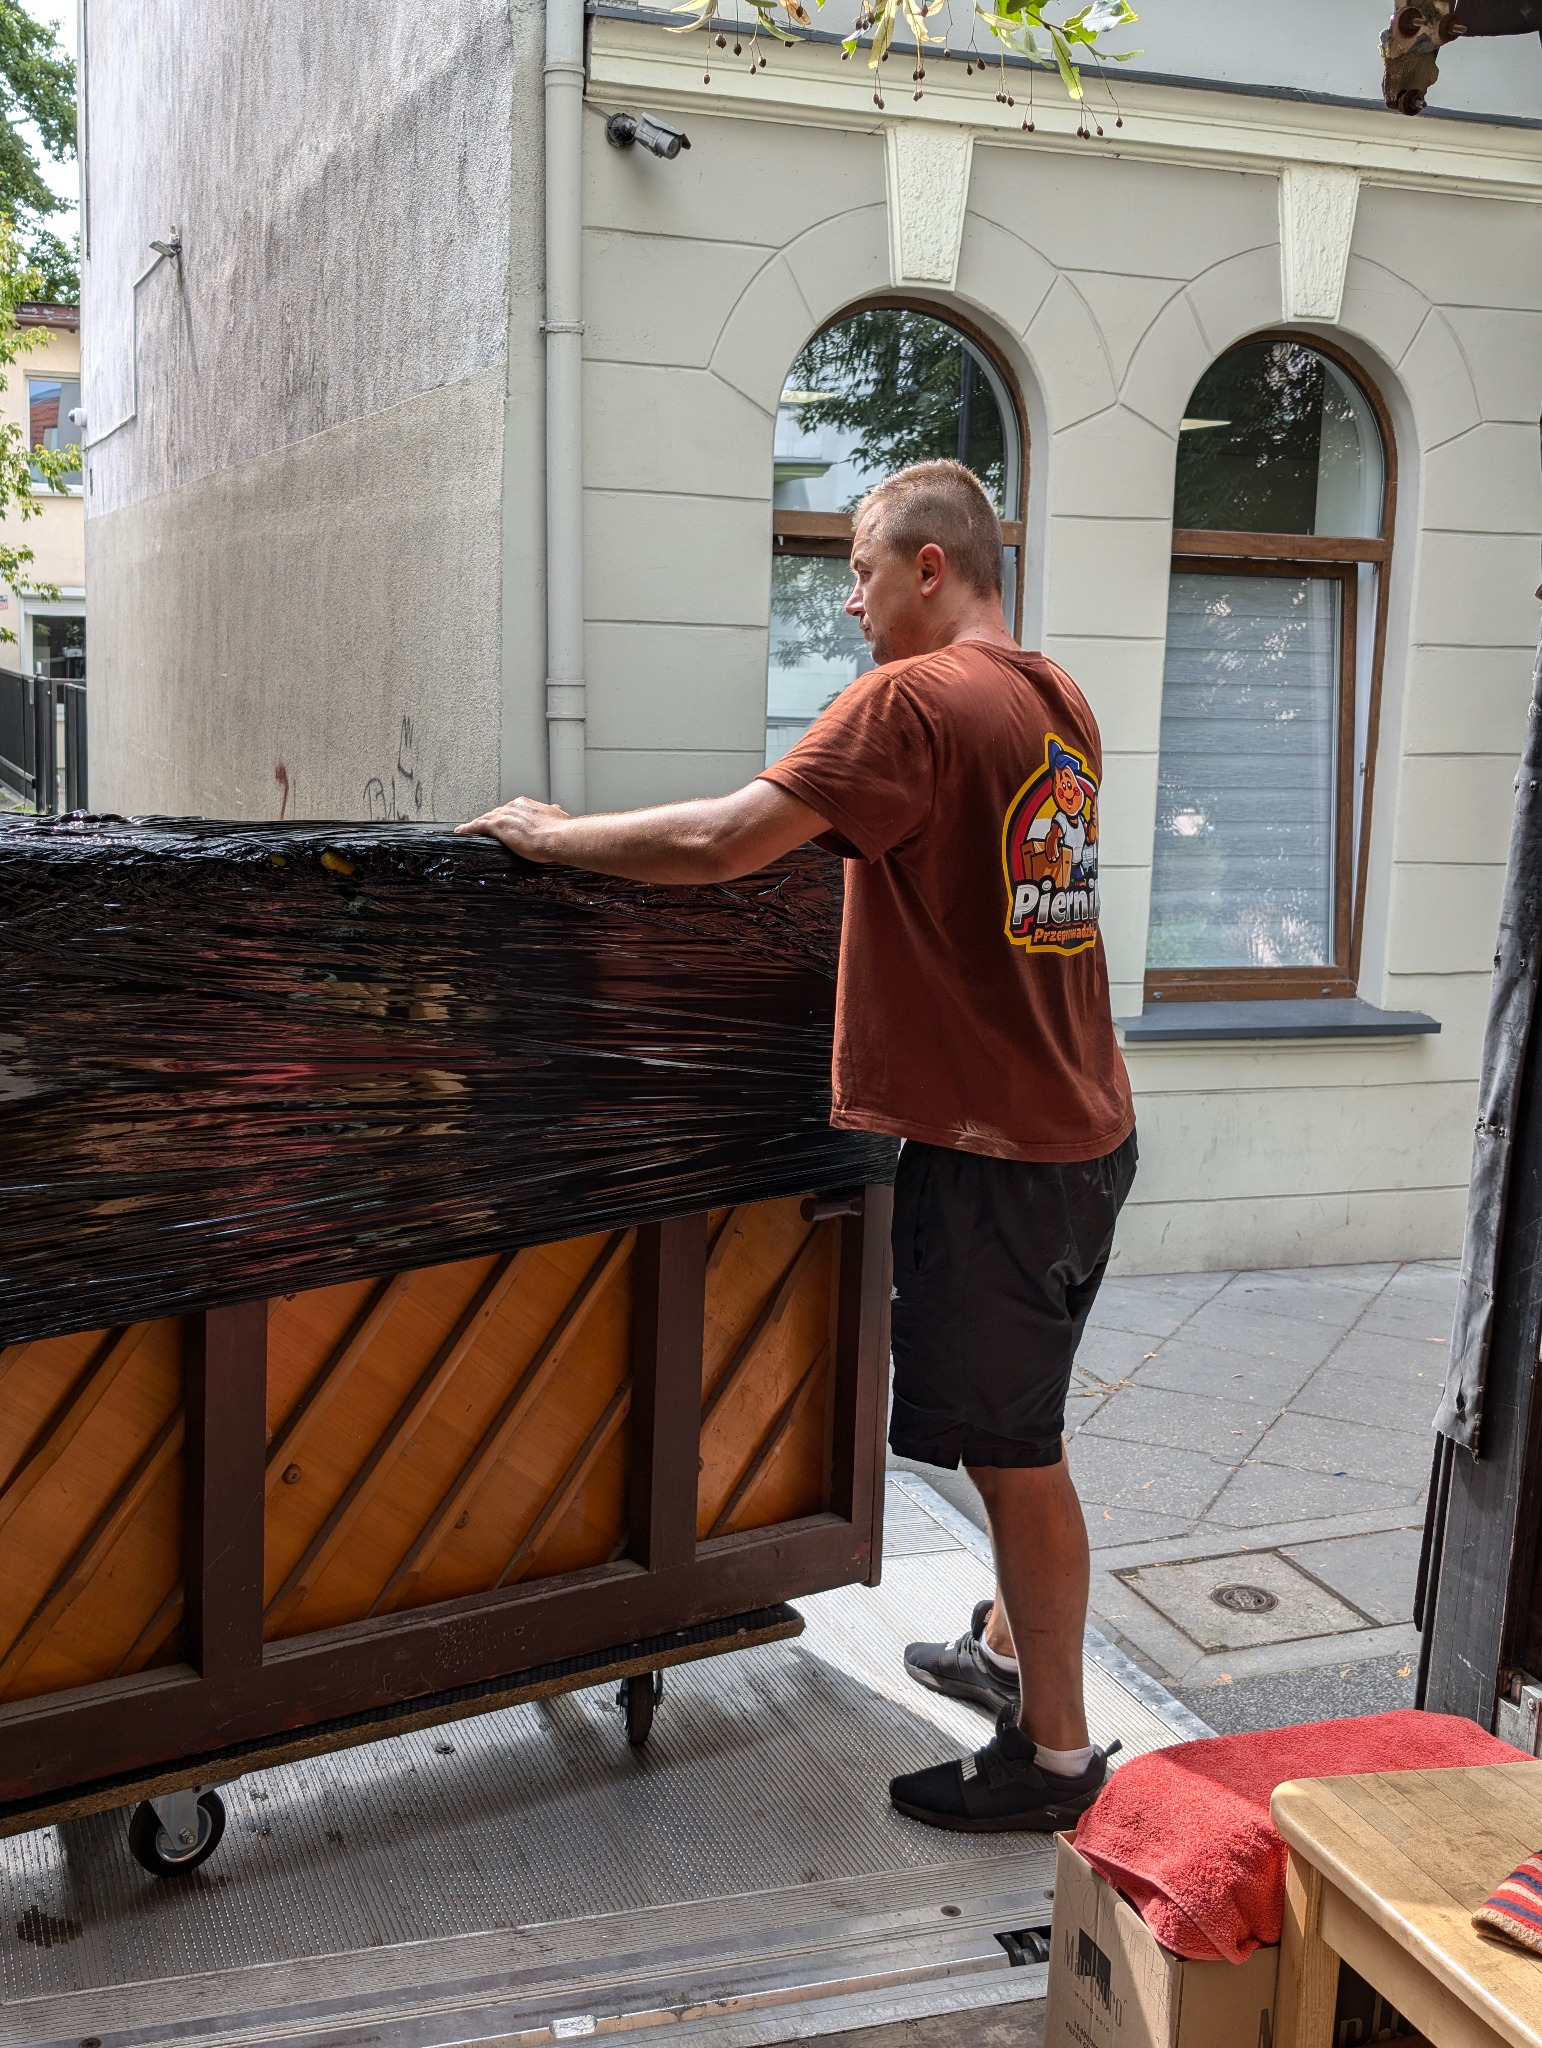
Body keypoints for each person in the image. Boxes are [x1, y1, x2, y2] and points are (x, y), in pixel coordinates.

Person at [458, 458, 1136, 1832]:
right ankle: (1006, 1651)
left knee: (1016, 1451)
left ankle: (1053, 1760)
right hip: (1083, 1126)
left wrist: (549, 838)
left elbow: (722, 843)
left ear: (929, 569)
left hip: (1002, 1152)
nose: (848, 602)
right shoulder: (1051, 697)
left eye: (861, 570)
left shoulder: (913, 699)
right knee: (1023, 1427)